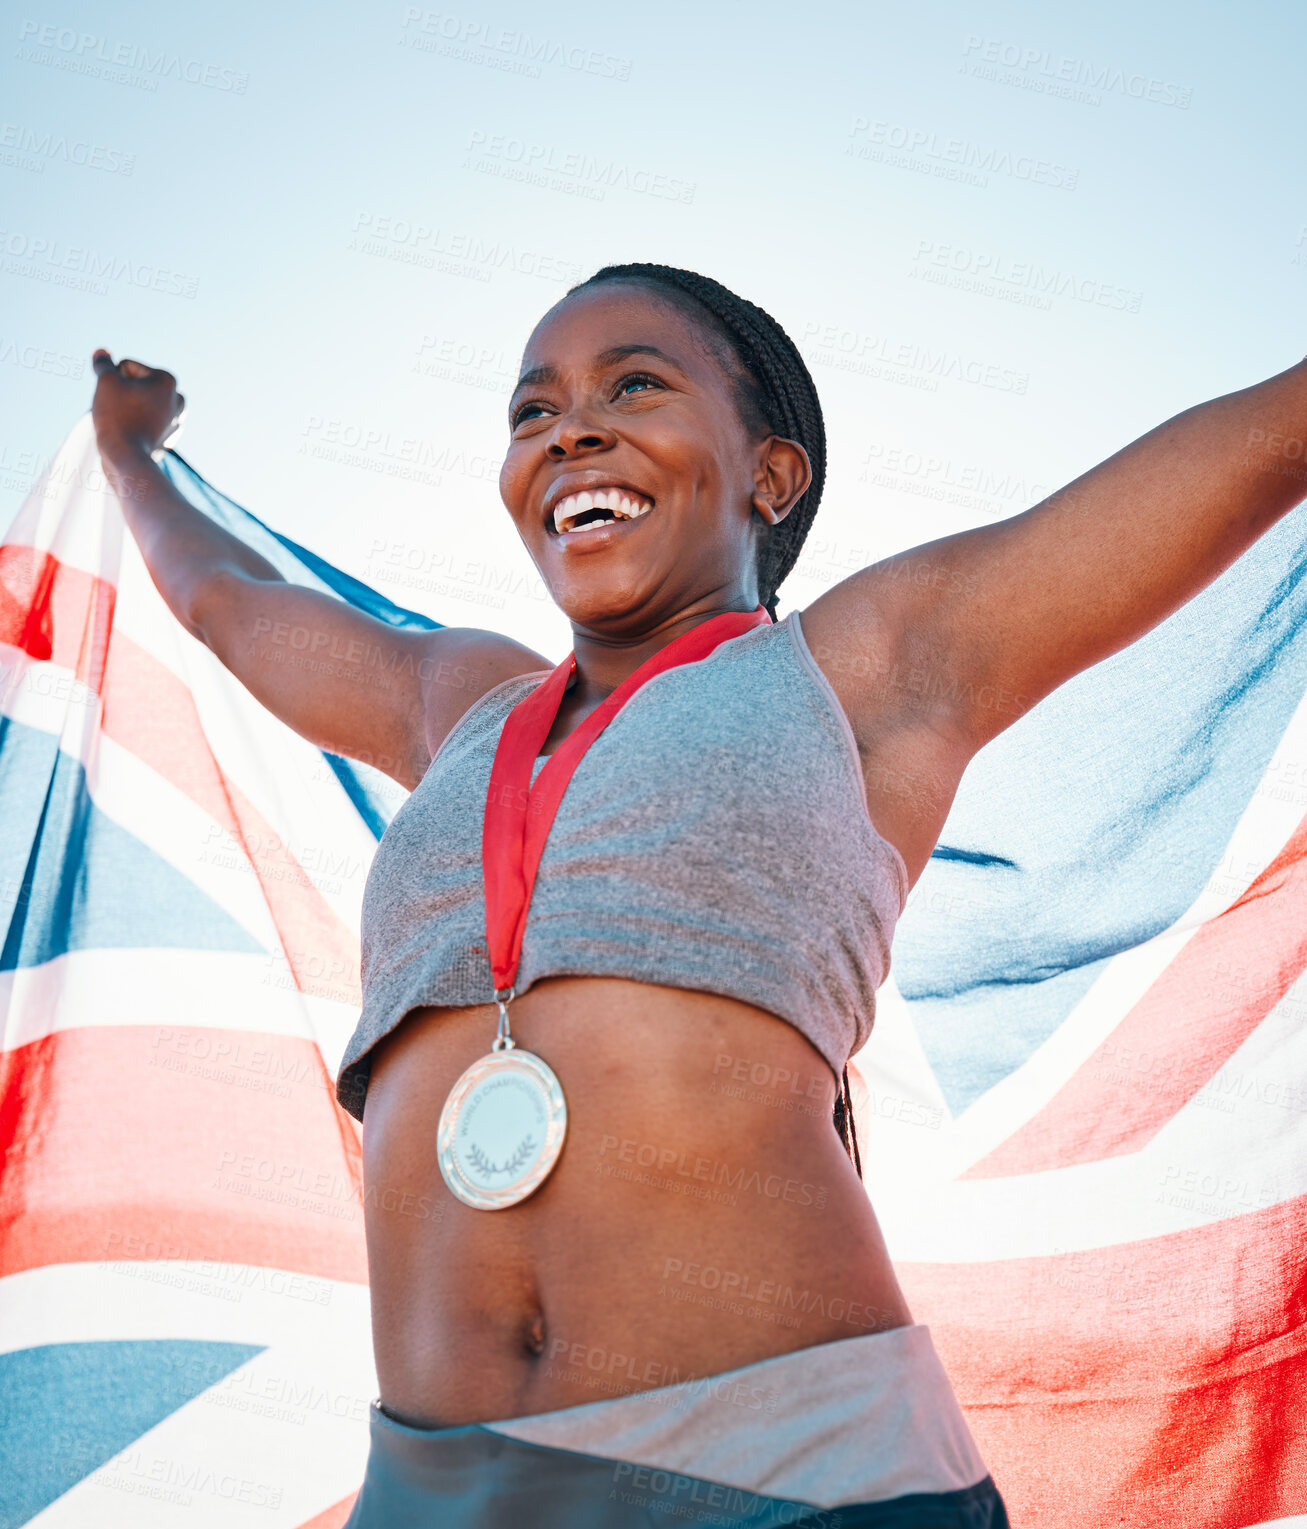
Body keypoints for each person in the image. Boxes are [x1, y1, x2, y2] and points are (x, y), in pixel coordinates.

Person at [89, 264, 1307, 1527]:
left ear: (768, 477)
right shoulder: (462, 706)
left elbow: (1266, 438)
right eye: (531, 410)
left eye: (634, 383)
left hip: (786, 1471)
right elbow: (234, 605)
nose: (571, 428)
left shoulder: (861, 667)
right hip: (439, 1490)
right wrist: (131, 456)